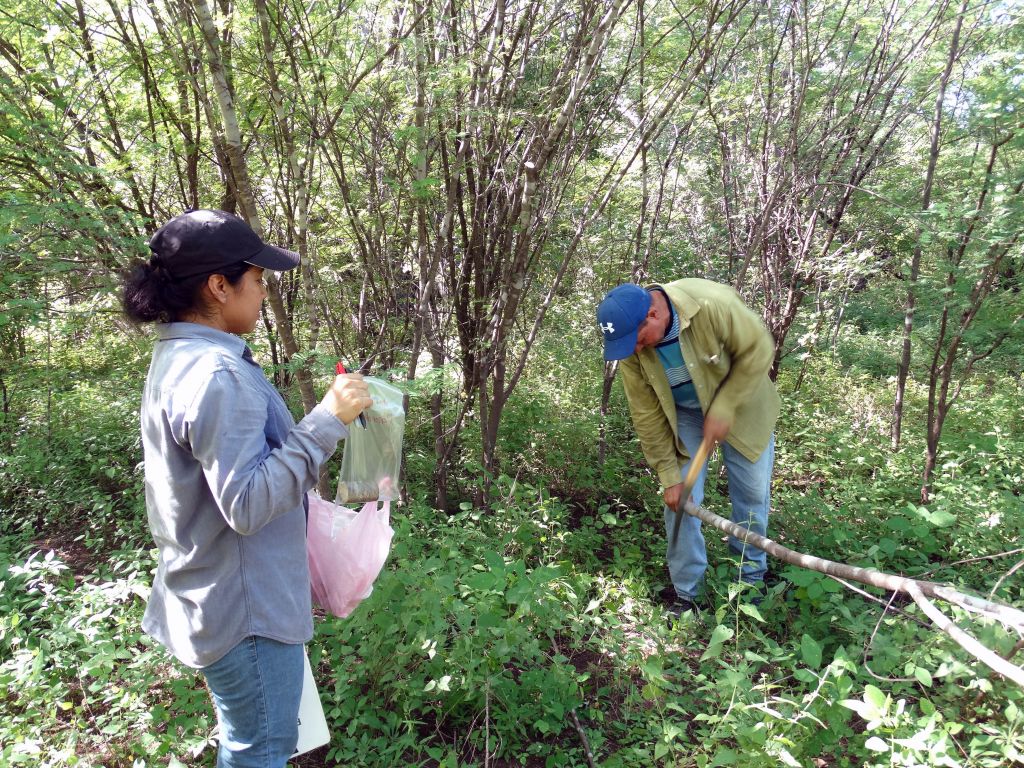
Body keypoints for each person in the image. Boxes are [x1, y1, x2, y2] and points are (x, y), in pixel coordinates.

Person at [122, 209, 372, 767]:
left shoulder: (180, 356)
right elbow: (247, 502)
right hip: (245, 611)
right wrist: (327, 420)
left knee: (251, 743)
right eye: (257, 280)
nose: (262, 292)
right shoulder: (217, 374)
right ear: (218, 286)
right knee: (259, 751)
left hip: (219, 594)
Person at [597, 280, 779, 618]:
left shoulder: (711, 303)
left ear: (653, 314)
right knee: (680, 498)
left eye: (638, 340)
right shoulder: (630, 349)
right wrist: (668, 475)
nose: (636, 350)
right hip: (686, 416)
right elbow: (646, 414)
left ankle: (750, 584)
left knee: (751, 496)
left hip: (743, 406)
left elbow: (760, 349)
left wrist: (724, 405)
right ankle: (687, 594)